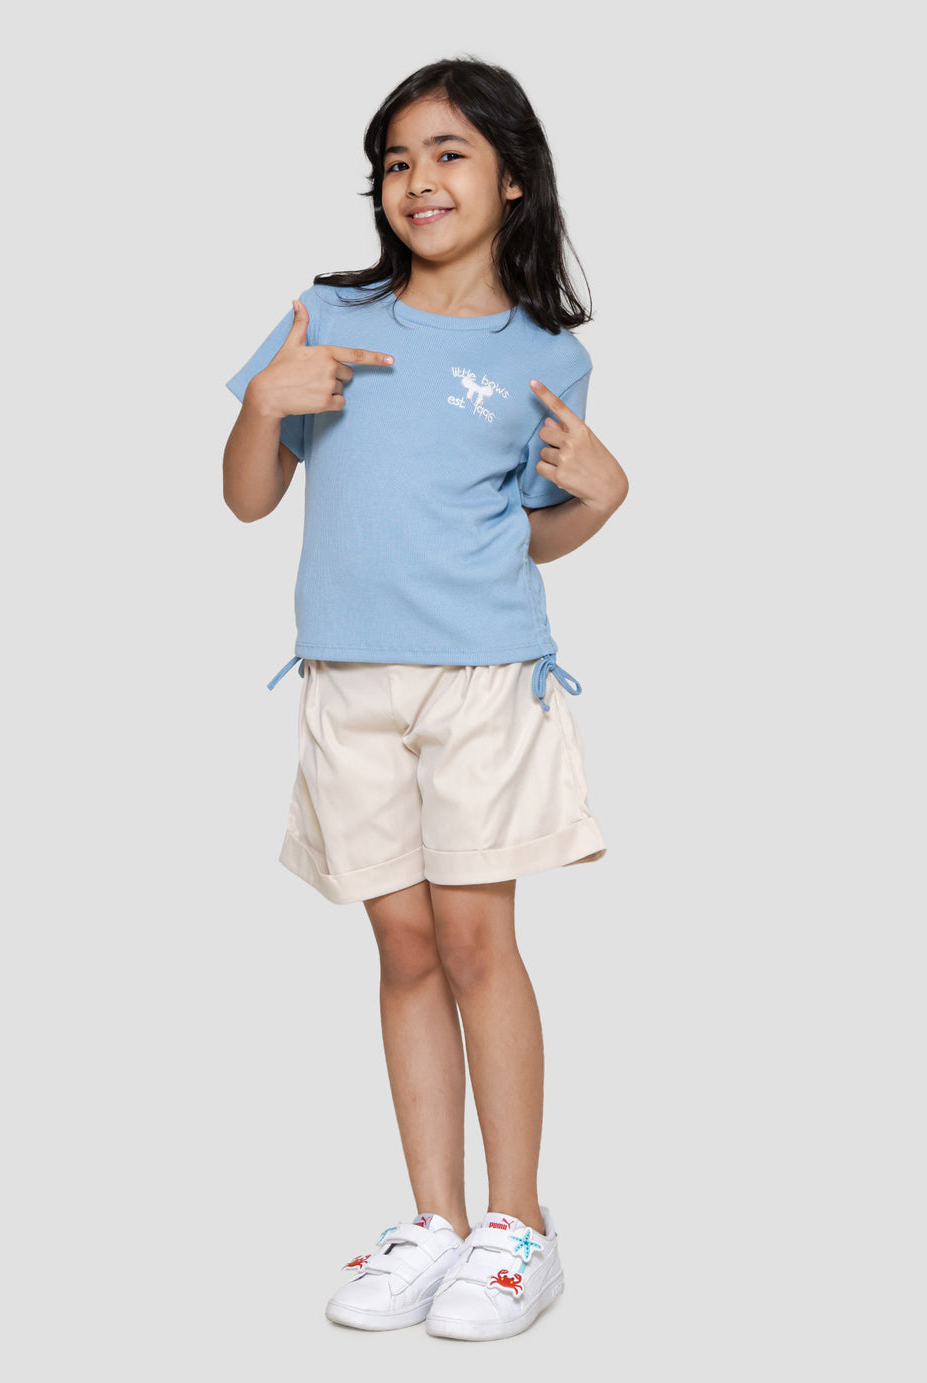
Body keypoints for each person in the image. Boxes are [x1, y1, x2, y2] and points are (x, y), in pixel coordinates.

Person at [222, 55, 628, 1342]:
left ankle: (520, 1227)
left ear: (513, 179)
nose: (418, 179)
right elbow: (247, 498)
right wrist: (264, 407)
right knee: (401, 945)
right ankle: (435, 1221)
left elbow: (525, 533)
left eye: (450, 152)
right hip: (346, 678)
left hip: (483, 679)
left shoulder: (546, 355)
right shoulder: (325, 316)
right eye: (397, 161)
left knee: (474, 942)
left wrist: (605, 498)